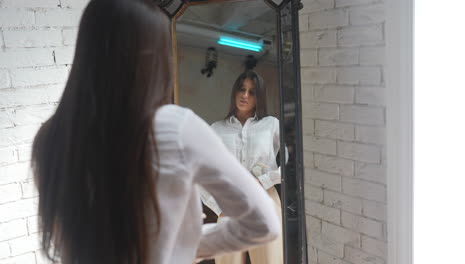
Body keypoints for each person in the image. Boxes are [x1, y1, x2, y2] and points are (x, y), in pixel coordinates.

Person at [30, 1, 280, 264]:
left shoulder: (50, 139)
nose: (245, 95)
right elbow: (263, 223)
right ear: (155, 60)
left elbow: (68, 239)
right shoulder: (176, 128)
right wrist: (182, 247)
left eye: (251, 92)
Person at [199, 67, 284, 264]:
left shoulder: (271, 125)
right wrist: (217, 206)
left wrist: (264, 180)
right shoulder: (217, 130)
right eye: (241, 89)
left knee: (270, 261)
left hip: (265, 201)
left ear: (259, 97)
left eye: (251, 92)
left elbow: (289, 165)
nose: (244, 95)